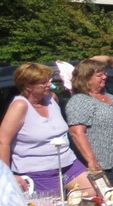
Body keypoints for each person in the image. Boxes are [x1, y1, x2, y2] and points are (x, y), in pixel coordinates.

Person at [0, 63, 93, 193]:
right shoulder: (20, 105)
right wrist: (7, 175)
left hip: (69, 162)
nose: (49, 84)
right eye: (43, 82)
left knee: (95, 193)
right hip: (38, 170)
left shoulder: (52, 98)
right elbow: (3, 142)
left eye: (48, 80)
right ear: (28, 86)